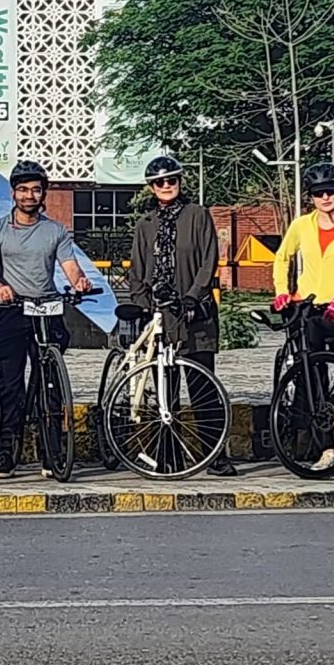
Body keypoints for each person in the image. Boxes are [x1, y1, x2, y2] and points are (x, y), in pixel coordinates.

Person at [0, 160, 93, 478]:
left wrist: (79, 282)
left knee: (50, 384)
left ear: (43, 194)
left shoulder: (55, 231)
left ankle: (51, 453)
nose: (29, 195)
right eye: (23, 189)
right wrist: (0, 286)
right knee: (10, 383)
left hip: (47, 307)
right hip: (13, 309)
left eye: (35, 190)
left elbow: (70, 266)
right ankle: (5, 453)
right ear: (14, 193)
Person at [128, 154, 234, 476]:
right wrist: (143, 305)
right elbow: (136, 271)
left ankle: (215, 455)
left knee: (202, 388)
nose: (166, 186)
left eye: (171, 180)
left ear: (179, 181)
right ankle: (168, 456)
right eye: (159, 182)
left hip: (194, 314)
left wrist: (192, 297)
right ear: (151, 187)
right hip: (161, 318)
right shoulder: (145, 225)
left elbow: (208, 261)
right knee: (165, 394)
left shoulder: (197, 215)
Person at [271, 161, 334, 472]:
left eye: (331, 191)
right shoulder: (302, 225)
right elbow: (282, 256)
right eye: (318, 193)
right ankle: (326, 449)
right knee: (316, 385)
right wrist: (281, 290)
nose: (326, 197)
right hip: (309, 311)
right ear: (311, 198)